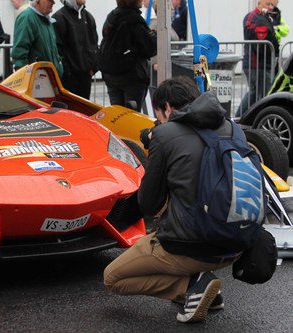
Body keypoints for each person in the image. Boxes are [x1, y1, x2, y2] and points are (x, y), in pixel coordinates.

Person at [104, 77, 243, 323]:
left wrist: (157, 148)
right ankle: (205, 291)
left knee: (113, 277)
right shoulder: (233, 128)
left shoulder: (166, 134)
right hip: (237, 242)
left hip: (191, 244)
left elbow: (148, 203)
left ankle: (191, 286)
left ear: (167, 108)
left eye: (158, 114)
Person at [99, 0, 156, 110]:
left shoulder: (112, 16)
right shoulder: (134, 20)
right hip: (132, 77)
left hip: (111, 75)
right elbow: (150, 48)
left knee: (116, 114)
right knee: (132, 116)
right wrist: (153, 35)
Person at [237, 0, 279, 117]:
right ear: (259, 2)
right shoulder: (257, 18)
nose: (271, 7)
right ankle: (240, 117)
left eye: (273, 5)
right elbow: (261, 46)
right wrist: (273, 49)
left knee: (258, 93)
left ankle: (243, 118)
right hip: (258, 64)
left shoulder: (262, 17)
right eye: (268, 4)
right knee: (259, 94)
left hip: (260, 63)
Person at [53, 0, 98, 99]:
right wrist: (66, 72)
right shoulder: (59, 17)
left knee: (84, 111)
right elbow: (57, 49)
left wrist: (93, 67)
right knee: (70, 111)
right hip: (68, 78)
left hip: (85, 76)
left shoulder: (88, 17)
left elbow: (94, 44)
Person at [11, 0, 63, 77]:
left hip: (48, 79)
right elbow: (19, 54)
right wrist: (24, 78)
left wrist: (58, 63)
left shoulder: (46, 20)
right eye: (50, 0)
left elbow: (52, 49)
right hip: (36, 80)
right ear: (38, 1)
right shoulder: (27, 18)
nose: (53, 3)